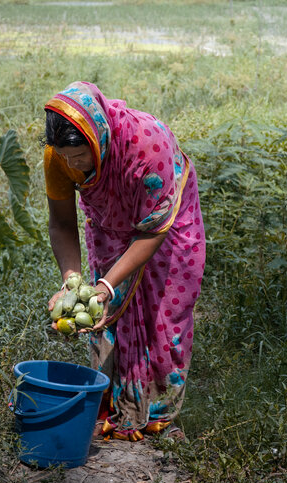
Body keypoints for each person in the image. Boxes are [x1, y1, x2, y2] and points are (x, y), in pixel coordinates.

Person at [43, 81, 206, 441]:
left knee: (164, 314)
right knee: (109, 318)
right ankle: (117, 408)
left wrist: (104, 284)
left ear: (100, 136)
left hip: (166, 223)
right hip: (110, 226)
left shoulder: (148, 145)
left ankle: (158, 414)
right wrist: (72, 282)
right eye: (66, 158)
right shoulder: (58, 157)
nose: (73, 165)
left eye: (80, 156)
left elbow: (152, 230)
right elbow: (62, 222)